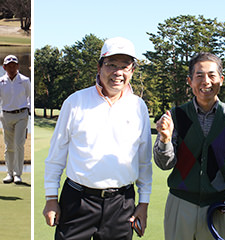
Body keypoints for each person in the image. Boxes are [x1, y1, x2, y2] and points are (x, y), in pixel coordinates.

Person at [41, 37, 152, 239]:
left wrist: (143, 204)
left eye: (125, 67)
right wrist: (51, 198)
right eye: (111, 65)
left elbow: (144, 161)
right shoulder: (75, 102)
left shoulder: (139, 107)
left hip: (121, 204)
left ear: (132, 71)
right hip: (77, 201)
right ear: (99, 66)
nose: (118, 73)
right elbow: (56, 155)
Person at [154, 52, 225, 239]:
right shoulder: (175, 116)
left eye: (212, 75)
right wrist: (164, 140)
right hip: (181, 202)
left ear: (221, 79)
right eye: (199, 76)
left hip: (218, 206)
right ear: (190, 80)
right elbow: (165, 164)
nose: (206, 81)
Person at [0, 55, 30, 184]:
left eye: (14, 65)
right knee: (9, 146)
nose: (12, 68)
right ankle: (9, 173)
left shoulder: (24, 80)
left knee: (18, 145)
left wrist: (28, 109)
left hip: (21, 115)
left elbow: (30, 97)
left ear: (17, 66)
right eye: (9, 66)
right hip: (6, 115)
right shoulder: (0, 82)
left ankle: (18, 174)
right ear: (4, 67)